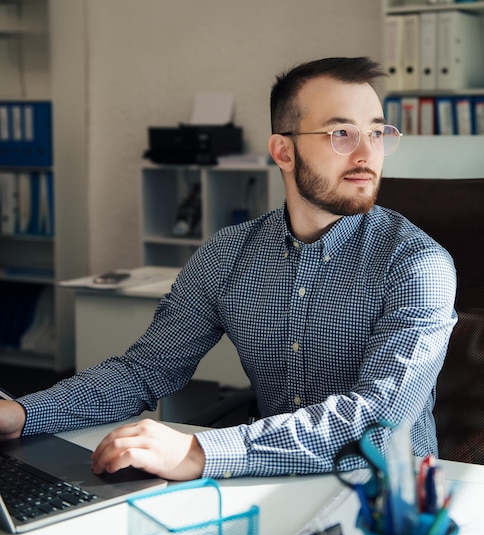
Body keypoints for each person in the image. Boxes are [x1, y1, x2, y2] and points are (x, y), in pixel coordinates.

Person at [0, 57, 457, 482]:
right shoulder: (228, 254)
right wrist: (23, 414)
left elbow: (379, 420)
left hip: (387, 502)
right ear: (283, 151)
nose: (366, 154)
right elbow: (146, 370)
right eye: (341, 134)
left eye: (377, 133)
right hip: (262, 476)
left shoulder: (419, 265)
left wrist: (200, 451)